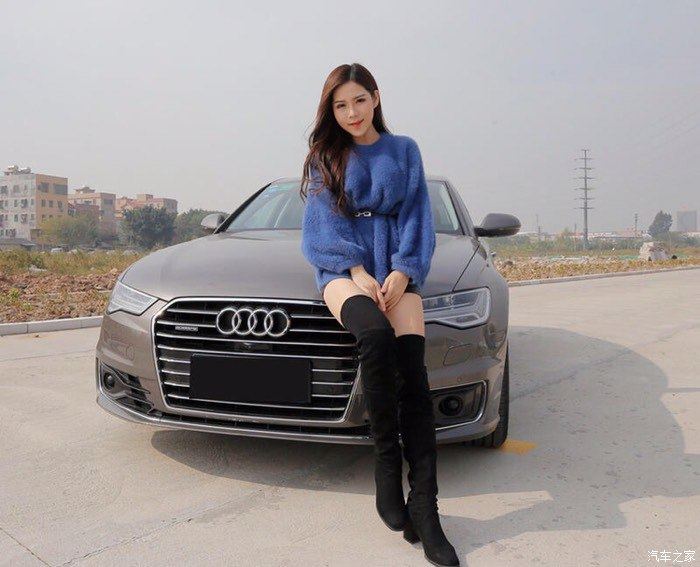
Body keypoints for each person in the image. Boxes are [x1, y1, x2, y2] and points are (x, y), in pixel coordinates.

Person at [299, 62, 460, 567]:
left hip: (396, 267)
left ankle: (426, 508)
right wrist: (357, 269)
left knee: (413, 373)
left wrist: (403, 270)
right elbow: (320, 226)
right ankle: (386, 463)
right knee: (373, 334)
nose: (351, 113)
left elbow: (417, 215)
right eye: (340, 105)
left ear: (376, 97)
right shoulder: (323, 157)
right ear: (331, 110)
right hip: (341, 269)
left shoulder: (404, 149)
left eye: (359, 101)